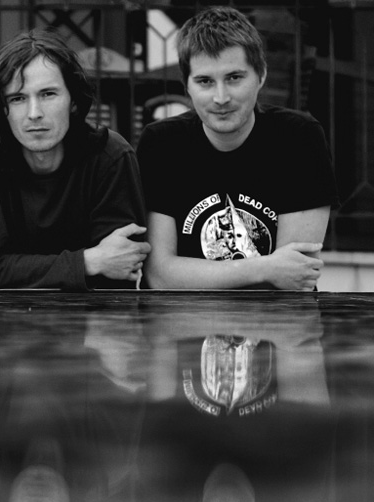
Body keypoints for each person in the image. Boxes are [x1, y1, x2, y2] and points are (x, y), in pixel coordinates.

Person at [137, 6, 337, 290]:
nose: (221, 98)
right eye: (205, 81)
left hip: (278, 316)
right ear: (187, 85)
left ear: (261, 75)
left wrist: (195, 274)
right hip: (182, 316)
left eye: (234, 78)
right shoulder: (162, 144)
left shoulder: (299, 138)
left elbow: (295, 278)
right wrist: (265, 267)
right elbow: (159, 276)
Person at [0, 28, 149, 291]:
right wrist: (88, 262)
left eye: (48, 94)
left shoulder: (111, 157)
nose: (34, 113)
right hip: (6, 312)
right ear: (3, 109)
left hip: (97, 312)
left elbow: (119, 270)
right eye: (18, 98)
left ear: (73, 100)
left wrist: (16, 272)